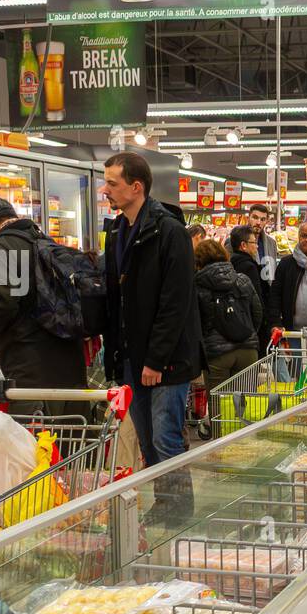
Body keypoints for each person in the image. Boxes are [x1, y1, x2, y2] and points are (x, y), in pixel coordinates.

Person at [102, 150, 201, 470]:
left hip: (168, 360)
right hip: (133, 356)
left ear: (136, 187)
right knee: (146, 441)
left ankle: (177, 515)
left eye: (112, 184)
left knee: (165, 439)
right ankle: (162, 508)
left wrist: (156, 358)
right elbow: (116, 298)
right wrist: (115, 356)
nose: (106, 190)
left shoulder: (169, 232)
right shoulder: (117, 231)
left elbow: (176, 302)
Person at [0, 196, 89, 418]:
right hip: (70, 361)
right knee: (71, 443)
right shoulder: (43, 240)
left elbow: (1, 301)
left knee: (35, 446)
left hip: (31, 367)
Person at [196, 235, 262, 402]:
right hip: (248, 349)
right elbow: (257, 313)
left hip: (216, 354)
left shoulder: (196, 284)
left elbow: (196, 322)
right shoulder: (242, 280)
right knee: (247, 404)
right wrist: (250, 333)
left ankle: (221, 430)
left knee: (220, 408)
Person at [229, 223, 265, 353]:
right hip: (248, 330)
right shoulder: (249, 267)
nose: (257, 246)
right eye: (254, 243)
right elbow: (256, 300)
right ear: (244, 245)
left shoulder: (230, 263)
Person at [247, 203, 278, 270]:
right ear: (248, 218)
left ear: (266, 221)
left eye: (263, 219)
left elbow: (273, 269)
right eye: (255, 217)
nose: (258, 222)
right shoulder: (236, 240)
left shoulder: (272, 243)